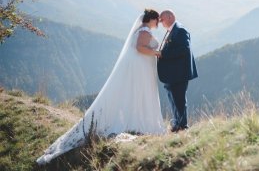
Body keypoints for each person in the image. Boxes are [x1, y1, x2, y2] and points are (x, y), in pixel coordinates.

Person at [37, 9, 166, 165]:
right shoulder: (145, 30)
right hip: (139, 69)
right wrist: (157, 53)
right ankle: (136, 121)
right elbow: (140, 48)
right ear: (151, 19)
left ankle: (135, 120)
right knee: (138, 93)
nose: (158, 23)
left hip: (139, 68)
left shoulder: (142, 29)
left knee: (135, 93)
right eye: (157, 20)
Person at [157, 10, 198, 132]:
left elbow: (184, 49)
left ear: (170, 17)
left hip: (179, 73)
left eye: (162, 19)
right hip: (173, 73)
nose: (160, 22)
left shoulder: (180, 30)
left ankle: (182, 126)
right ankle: (177, 123)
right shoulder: (173, 30)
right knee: (173, 99)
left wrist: (163, 54)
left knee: (179, 100)